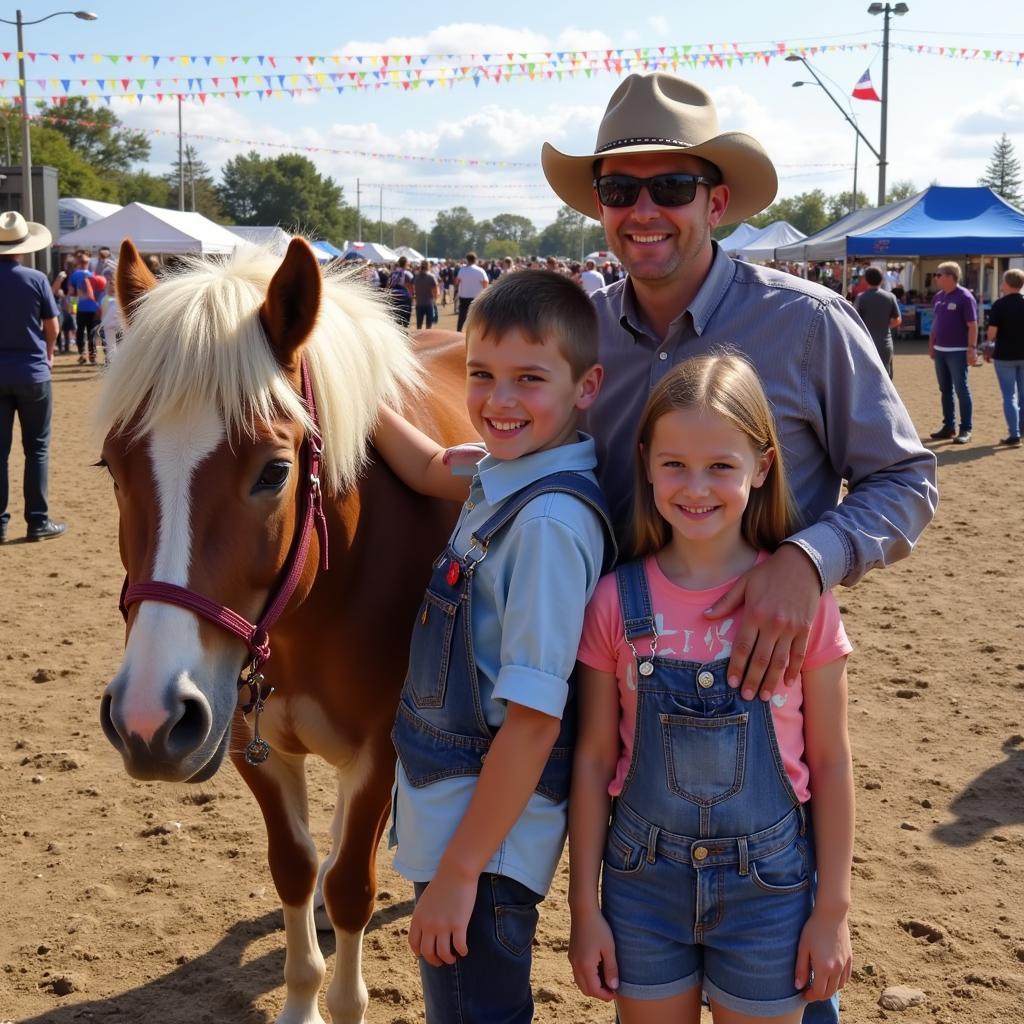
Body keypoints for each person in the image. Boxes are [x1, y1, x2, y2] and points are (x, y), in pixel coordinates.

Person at [538, 74, 934, 1024]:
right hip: (616, 675)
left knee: (787, 956)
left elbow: (907, 481)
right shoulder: (578, 327)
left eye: (670, 186)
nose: (643, 210)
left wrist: (809, 560)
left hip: (774, 693)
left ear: (716, 200)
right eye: (620, 188)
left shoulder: (808, 323)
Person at [570, 354, 853, 1022]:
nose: (696, 486)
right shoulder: (614, 601)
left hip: (772, 894)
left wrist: (833, 910)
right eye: (675, 464)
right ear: (645, 463)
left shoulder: (803, 606)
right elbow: (592, 760)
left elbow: (834, 762)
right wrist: (586, 907)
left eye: (721, 466)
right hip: (643, 891)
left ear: (762, 466)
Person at [373, 269, 615, 1024]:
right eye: (481, 375)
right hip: (464, 827)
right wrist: (335, 379)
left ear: (586, 386)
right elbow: (419, 463)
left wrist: (460, 873)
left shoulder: (545, 526)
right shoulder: (501, 473)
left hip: (486, 849)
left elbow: (536, 722)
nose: (498, 401)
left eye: (529, 379)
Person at [0, 211, 67, 543]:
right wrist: (50, 354)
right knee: (36, 449)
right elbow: (52, 327)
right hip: (32, 372)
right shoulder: (36, 278)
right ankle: (37, 520)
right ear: (24, 245)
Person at [928, 261, 978, 444]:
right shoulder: (939, 296)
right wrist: (931, 344)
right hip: (940, 350)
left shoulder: (965, 297)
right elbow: (936, 322)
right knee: (945, 390)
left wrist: (972, 348)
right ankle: (948, 426)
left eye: (939, 274)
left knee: (961, 389)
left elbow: (972, 325)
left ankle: (966, 429)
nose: (936, 278)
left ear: (950, 276)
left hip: (958, 351)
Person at [984, 268, 1024, 446]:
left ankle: (1014, 433)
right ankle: (1021, 429)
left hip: (1005, 356)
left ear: (1007, 283)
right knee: (1022, 395)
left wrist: (987, 343)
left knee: (1009, 396)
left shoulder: (999, 305)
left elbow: (992, 333)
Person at [853, 266, 902, 378]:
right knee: (885, 377)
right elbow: (898, 320)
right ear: (882, 279)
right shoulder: (890, 296)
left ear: (865, 280)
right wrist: (886, 326)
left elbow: (854, 321)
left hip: (865, 343)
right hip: (885, 343)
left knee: (866, 376)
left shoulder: (861, 298)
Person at [68, 251, 100, 365]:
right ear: (87, 263)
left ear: (78, 262)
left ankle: (82, 353)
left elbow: (72, 293)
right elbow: (99, 293)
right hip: (93, 308)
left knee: (80, 332)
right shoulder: (94, 275)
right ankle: (92, 356)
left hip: (80, 308)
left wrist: (73, 308)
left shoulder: (74, 275)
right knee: (92, 333)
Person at [454, 251, 489, 332]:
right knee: (477, 317)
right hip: (476, 297)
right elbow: (485, 282)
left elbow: (457, 282)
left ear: (467, 260)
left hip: (464, 296)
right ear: (475, 260)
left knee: (462, 317)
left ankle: (458, 331)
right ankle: (477, 332)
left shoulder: (462, 270)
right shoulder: (480, 270)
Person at [387, 256, 415, 329]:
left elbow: (388, 285)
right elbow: (412, 286)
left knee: (395, 318)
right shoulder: (407, 274)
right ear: (406, 263)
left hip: (393, 296)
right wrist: (413, 296)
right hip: (404, 297)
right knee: (405, 319)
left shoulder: (393, 273)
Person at [413, 260, 440, 330]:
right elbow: (436, 291)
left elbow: (414, 289)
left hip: (419, 303)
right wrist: (435, 300)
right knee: (429, 325)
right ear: (428, 266)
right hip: (429, 302)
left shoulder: (416, 277)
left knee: (419, 324)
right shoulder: (431, 277)